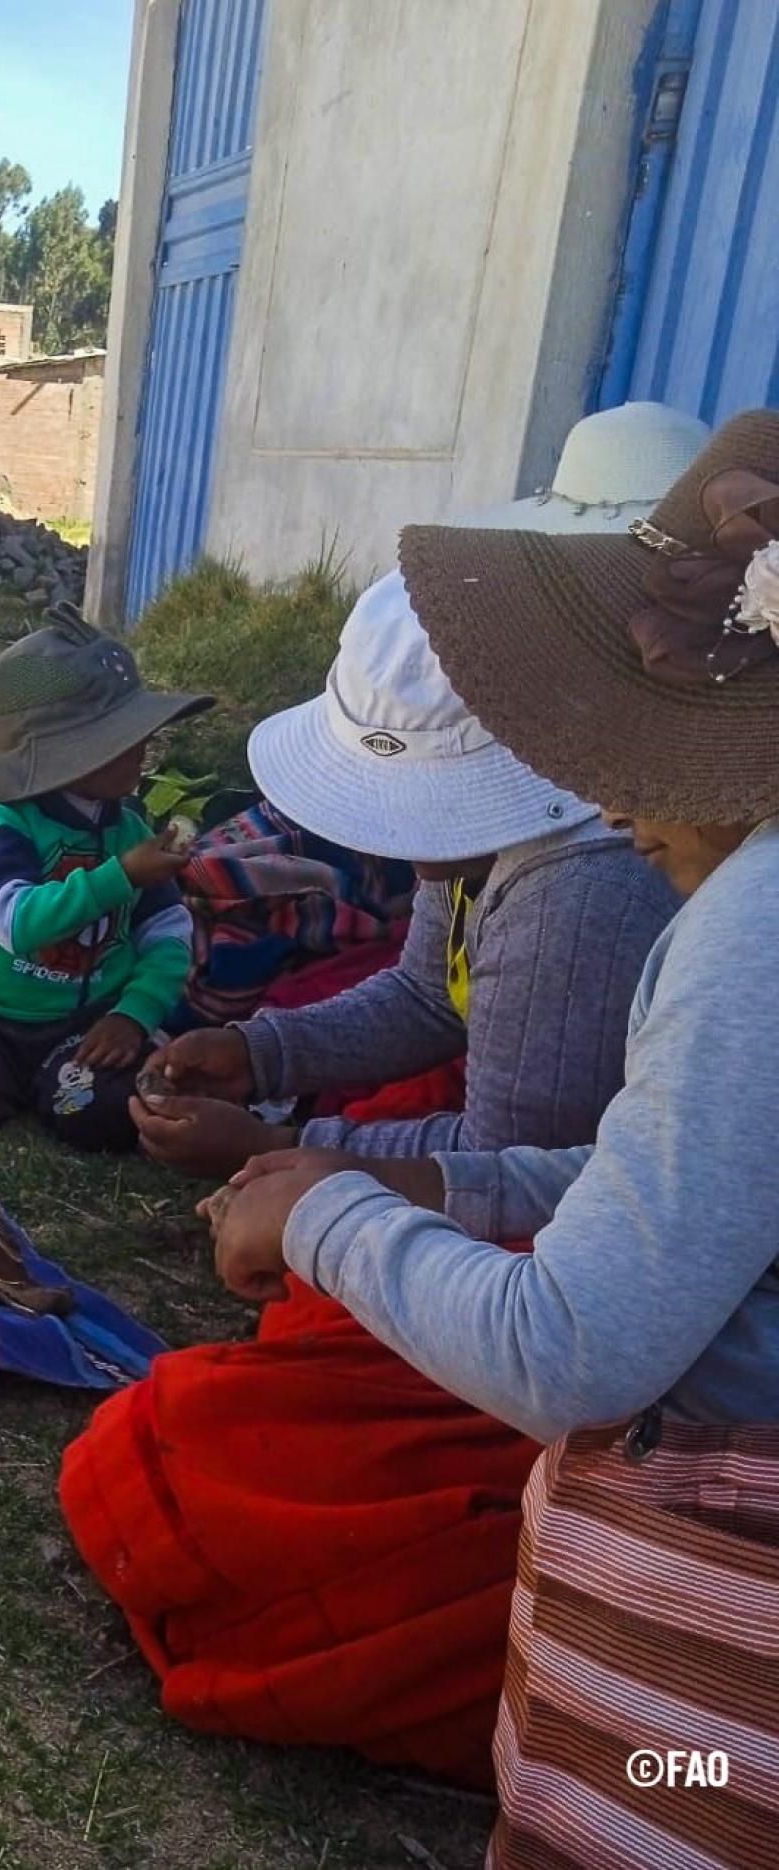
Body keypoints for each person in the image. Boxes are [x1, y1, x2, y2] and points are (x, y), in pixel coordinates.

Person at [201, 407, 779, 1866]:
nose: (604, 798)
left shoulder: (734, 927)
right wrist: (356, 1153)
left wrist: (329, 1214)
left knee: (670, 1769)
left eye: (627, 745)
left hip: (728, 1556)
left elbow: (569, 1341)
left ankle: (643, 1772)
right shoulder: (716, 899)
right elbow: (647, 1179)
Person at [130, 570, 679, 1176]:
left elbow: (517, 1160)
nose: (397, 833)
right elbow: (427, 994)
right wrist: (259, 1053)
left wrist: (277, 1150)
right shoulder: (472, 852)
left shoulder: (576, 894)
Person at [0, 616, 210, 1149]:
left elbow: (168, 930)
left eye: (140, 735)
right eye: (120, 740)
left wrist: (134, 1014)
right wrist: (122, 875)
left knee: (106, 1115)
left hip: (81, 1019)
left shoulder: (129, 829)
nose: (141, 749)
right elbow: (17, 923)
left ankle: (47, 1082)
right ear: (60, 755)